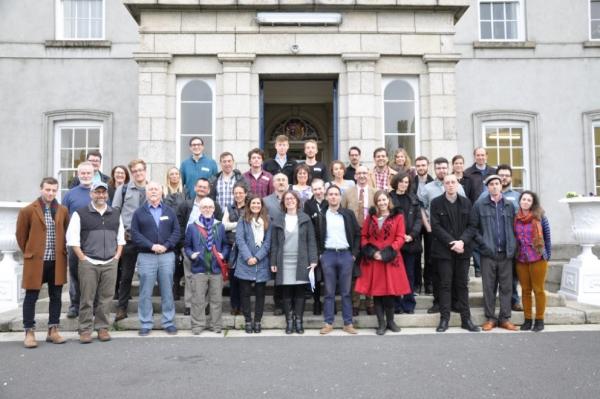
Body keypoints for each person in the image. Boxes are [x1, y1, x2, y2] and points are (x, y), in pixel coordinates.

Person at [66, 182, 125, 343]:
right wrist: (83, 258)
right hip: (89, 262)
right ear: (91, 194)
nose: (101, 195)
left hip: (110, 262)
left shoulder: (115, 213)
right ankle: (85, 329)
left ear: (107, 195)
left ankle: (102, 328)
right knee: (87, 297)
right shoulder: (80, 214)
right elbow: (73, 240)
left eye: (103, 193)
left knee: (106, 297)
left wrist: (117, 257)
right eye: (97, 192)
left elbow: (121, 238)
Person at [16, 177, 69, 348]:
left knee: (56, 296)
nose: (51, 193)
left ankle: (53, 330)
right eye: (48, 189)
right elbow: (21, 236)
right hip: (36, 262)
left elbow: (66, 233)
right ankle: (29, 331)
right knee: (31, 297)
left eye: (54, 190)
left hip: (56, 261)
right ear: (41, 189)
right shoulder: (27, 210)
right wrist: (30, 253)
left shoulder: (62, 210)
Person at [355, 190, 411, 335]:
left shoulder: (398, 216)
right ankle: (381, 323)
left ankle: (391, 322)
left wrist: (387, 252)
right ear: (376, 202)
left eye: (384, 200)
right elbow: (364, 236)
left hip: (390, 259)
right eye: (379, 200)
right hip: (374, 260)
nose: (382, 203)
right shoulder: (370, 217)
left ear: (388, 200)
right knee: (377, 293)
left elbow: (399, 237)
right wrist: (372, 252)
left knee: (390, 293)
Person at [430, 175, 480, 333]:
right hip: (444, 251)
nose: (450, 185)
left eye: (453, 182)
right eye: (447, 183)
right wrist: (453, 243)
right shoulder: (436, 203)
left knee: (462, 285)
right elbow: (436, 227)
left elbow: (472, 226)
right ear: (443, 185)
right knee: (445, 285)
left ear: (458, 184)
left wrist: (462, 242)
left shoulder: (466, 202)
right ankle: (444, 320)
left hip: (463, 250)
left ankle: (466, 320)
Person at [131, 182, 180, 336]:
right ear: (146, 193)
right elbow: (135, 234)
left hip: (167, 256)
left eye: (156, 189)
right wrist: (151, 246)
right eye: (150, 189)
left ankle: (169, 322)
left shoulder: (169, 211)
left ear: (161, 193)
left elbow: (177, 232)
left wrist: (166, 246)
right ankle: (145, 323)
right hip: (146, 256)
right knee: (145, 291)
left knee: (167, 290)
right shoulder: (139, 212)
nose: (153, 192)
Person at [470, 175, 518, 331]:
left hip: (506, 254)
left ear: (501, 186)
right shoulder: (479, 205)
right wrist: (483, 245)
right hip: (488, 254)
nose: (495, 187)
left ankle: (504, 318)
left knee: (506, 287)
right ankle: (490, 318)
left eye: (497, 184)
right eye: (491, 184)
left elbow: (515, 228)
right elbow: (473, 228)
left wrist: (513, 246)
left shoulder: (510, 206)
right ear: (487, 187)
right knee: (489, 287)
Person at [418, 157, 466, 313]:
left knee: (455, 270)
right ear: (434, 169)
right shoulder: (428, 188)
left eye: (444, 168)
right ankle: (438, 302)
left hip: (456, 236)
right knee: (437, 270)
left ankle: (455, 301)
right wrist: (428, 226)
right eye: (438, 168)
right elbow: (422, 208)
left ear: (449, 168)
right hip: (436, 234)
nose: (441, 170)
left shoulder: (458, 186)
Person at [270, 191, 318, 334]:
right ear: (283, 202)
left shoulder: (305, 218)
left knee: (299, 292)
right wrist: (273, 261)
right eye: (287, 199)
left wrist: (313, 259)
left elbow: (311, 241)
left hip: (301, 260)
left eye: (292, 198)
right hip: (283, 260)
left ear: (297, 201)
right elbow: (274, 243)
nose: (290, 201)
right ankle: (289, 321)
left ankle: (299, 321)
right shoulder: (278, 219)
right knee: (286, 292)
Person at [317, 185, 361, 335]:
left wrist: (353, 254)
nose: (333, 197)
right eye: (331, 194)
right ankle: (328, 323)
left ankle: (348, 323)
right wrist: (321, 254)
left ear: (340, 197)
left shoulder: (348, 214)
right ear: (326, 197)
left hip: (345, 255)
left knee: (346, 291)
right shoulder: (322, 214)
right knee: (329, 291)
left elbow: (357, 234)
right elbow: (316, 236)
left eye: (336, 194)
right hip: (328, 255)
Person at [177, 177, 224, 315]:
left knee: (209, 277)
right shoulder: (186, 205)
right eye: (200, 186)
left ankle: (207, 304)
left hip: (211, 249)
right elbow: (179, 226)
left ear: (209, 190)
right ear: (195, 188)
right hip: (190, 248)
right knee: (190, 277)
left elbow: (219, 226)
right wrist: (182, 246)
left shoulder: (214, 205)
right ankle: (189, 305)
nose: (202, 189)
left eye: (205, 187)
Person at [479, 164, 522, 310]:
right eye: (500, 175)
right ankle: (490, 315)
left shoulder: (515, 199)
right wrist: (483, 244)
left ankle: (511, 306)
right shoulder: (483, 199)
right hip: (490, 249)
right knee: (490, 285)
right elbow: (475, 224)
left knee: (509, 282)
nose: (503, 178)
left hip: (508, 249)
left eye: (506, 175)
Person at [184, 197, 229, 334]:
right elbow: (187, 246)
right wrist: (192, 255)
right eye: (204, 207)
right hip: (199, 268)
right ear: (200, 209)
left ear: (214, 209)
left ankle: (216, 325)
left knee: (216, 300)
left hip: (216, 269)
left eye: (210, 207)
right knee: (198, 299)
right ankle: (198, 326)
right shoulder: (192, 226)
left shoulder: (219, 226)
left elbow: (226, 245)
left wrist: (223, 254)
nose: (207, 209)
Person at [112, 159, 148, 322]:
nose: (138, 173)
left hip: (148, 239)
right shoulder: (123, 189)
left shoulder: (153, 188)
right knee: (126, 275)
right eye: (135, 171)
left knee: (148, 275)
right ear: (132, 173)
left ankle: (146, 308)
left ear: (145, 171)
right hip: (129, 238)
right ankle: (122, 307)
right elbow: (115, 212)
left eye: (140, 170)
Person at [514, 191, 551, 332]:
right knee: (525, 290)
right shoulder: (516, 218)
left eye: (529, 200)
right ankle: (528, 319)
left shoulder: (540, 217)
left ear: (532, 202)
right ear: (520, 201)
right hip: (521, 258)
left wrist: (547, 255)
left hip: (538, 257)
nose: (525, 202)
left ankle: (540, 319)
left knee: (538, 290)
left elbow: (547, 237)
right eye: (523, 199)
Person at [235, 196, 272, 334]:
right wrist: (248, 257)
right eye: (253, 203)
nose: (256, 205)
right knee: (245, 294)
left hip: (261, 262)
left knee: (260, 294)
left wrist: (257, 257)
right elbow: (239, 239)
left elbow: (268, 243)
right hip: (245, 262)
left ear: (261, 205)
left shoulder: (268, 221)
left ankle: (257, 321)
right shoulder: (243, 220)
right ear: (248, 205)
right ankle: (248, 321)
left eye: (258, 203)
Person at [341, 165, 375, 315]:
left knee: (370, 270)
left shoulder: (375, 193)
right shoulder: (348, 193)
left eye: (364, 173)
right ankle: (355, 303)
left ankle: (370, 302)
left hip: (371, 236)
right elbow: (342, 213)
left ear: (368, 175)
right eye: (359, 173)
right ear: (355, 176)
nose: (362, 175)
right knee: (354, 271)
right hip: (353, 236)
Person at [62, 161, 94, 319]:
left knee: (93, 274)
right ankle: (75, 305)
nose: (86, 175)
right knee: (74, 274)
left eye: (89, 173)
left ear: (93, 174)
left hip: (94, 242)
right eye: (83, 173)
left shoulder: (99, 192)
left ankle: (91, 304)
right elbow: (62, 219)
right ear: (78, 174)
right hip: (74, 241)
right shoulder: (70, 194)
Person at [389, 172, 422, 314]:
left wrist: (412, 235)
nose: (404, 184)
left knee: (409, 274)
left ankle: (408, 304)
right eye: (401, 181)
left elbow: (418, 219)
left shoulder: (414, 198)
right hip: (395, 243)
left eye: (406, 182)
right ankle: (396, 305)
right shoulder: (389, 197)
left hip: (410, 242)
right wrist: (398, 237)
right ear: (396, 182)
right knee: (395, 274)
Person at [263, 173, 289, 315]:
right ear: (273, 184)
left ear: (288, 183)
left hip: (291, 242)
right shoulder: (266, 201)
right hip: (274, 242)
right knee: (277, 274)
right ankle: (278, 304)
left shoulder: (294, 199)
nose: (281, 182)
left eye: (283, 180)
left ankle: (289, 303)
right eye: (278, 180)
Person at [222, 181, 250, 316]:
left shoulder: (250, 207)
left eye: (240, 193)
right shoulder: (229, 207)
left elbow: (251, 225)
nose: (238, 195)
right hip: (232, 246)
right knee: (233, 279)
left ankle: (245, 307)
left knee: (244, 279)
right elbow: (223, 225)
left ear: (245, 194)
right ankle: (235, 306)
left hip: (246, 247)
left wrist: (233, 226)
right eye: (236, 193)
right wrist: (238, 224)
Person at [303, 178, 328, 315]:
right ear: (312, 191)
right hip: (314, 244)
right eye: (315, 189)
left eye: (320, 188)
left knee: (329, 276)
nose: (318, 192)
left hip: (329, 244)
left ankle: (329, 303)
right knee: (317, 277)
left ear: (324, 188)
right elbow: (308, 226)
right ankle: (316, 302)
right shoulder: (308, 204)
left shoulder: (329, 201)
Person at [163, 166, 187, 301]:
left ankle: (178, 285)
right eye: (171, 174)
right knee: (171, 261)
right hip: (168, 230)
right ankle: (173, 290)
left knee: (183, 261)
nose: (174, 176)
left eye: (176, 174)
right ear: (168, 177)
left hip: (182, 230)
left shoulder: (185, 191)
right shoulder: (163, 191)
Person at [412, 155, 433, 294]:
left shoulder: (434, 182)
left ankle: (429, 283)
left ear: (427, 165)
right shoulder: (411, 182)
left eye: (423, 165)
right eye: (418, 165)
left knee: (430, 254)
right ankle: (417, 283)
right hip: (416, 221)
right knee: (416, 253)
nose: (421, 168)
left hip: (431, 223)